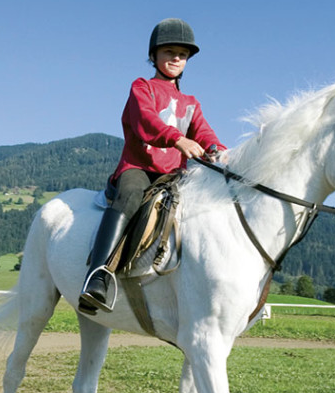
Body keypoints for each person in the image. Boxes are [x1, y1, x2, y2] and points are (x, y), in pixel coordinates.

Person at [78, 18, 226, 314]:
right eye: (169, 52)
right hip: (139, 168)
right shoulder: (141, 87)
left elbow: (204, 131)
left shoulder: (191, 102)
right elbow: (146, 122)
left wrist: (216, 150)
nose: (175, 58)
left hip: (174, 176)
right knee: (131, 195)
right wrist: (177, 140)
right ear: (154, 56)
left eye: (181, 54)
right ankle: (98, 275)